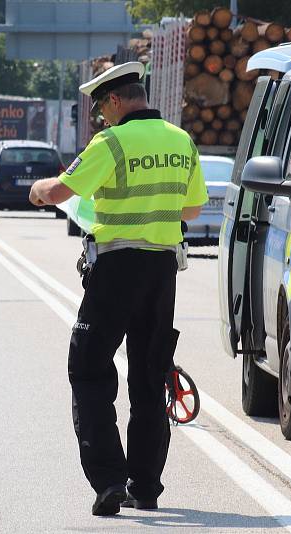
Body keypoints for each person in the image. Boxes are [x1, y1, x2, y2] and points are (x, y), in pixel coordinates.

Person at [29, 62, 208, 516]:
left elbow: (59, 192)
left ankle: (109, 481)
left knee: (89, 371)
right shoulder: (180, 139)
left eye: (100, 109)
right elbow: (191, 211)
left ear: (114, 101)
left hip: (116, 270)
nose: (100, 119)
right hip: (162, 272)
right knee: (150, 377)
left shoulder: (110, 142)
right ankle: (145, 486)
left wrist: (37, 188)